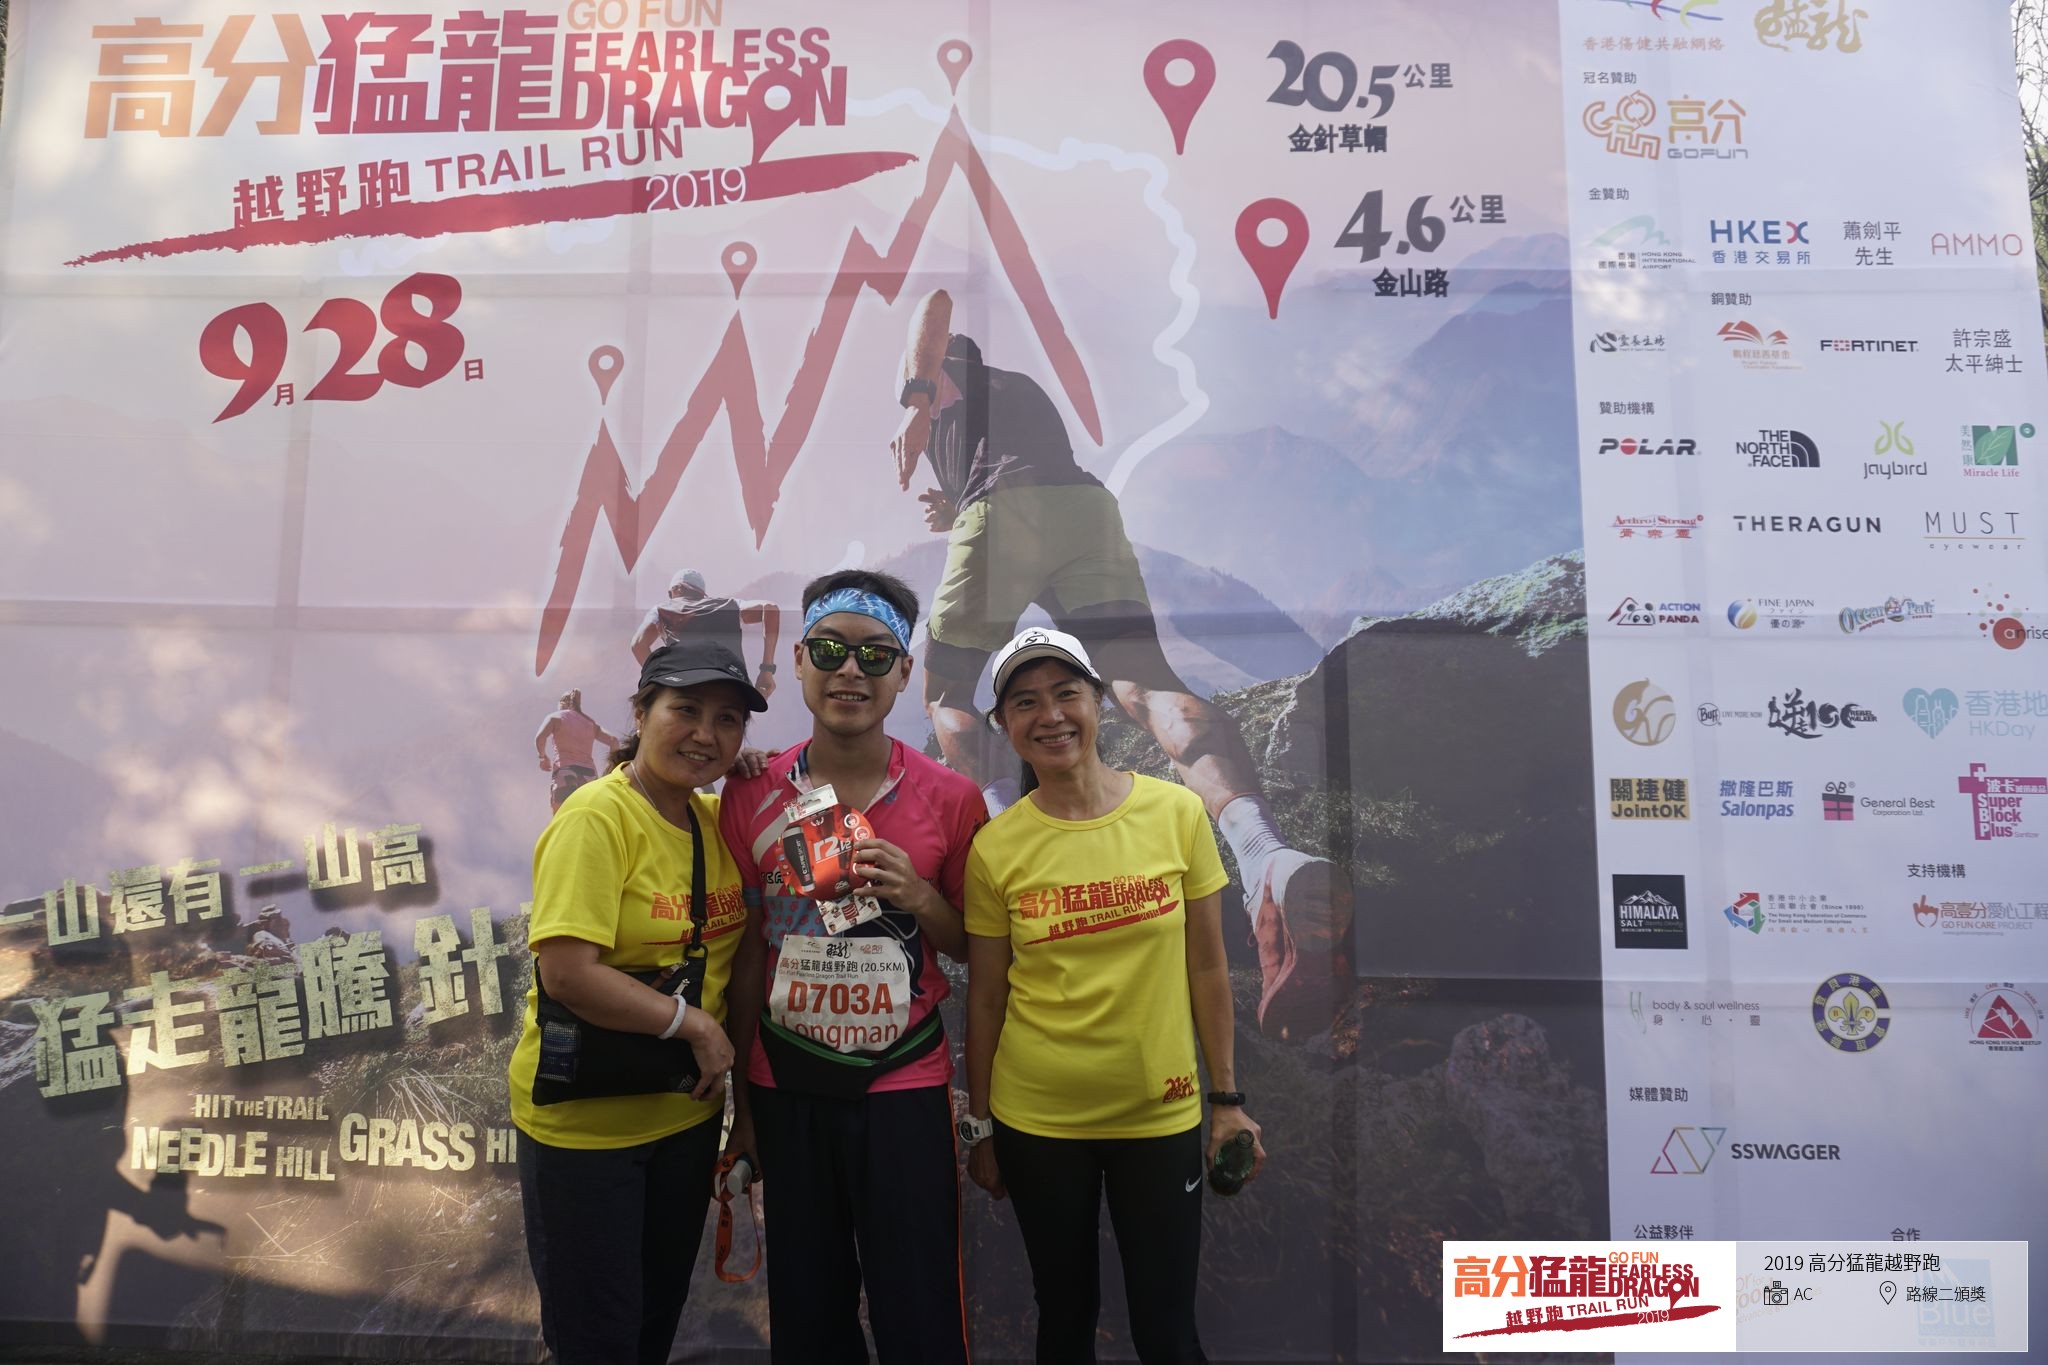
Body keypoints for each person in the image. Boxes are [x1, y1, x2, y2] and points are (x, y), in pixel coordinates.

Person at [888, 287, 1353, 1040]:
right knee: (1145, 683)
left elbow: (932, 304)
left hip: (1004, 511)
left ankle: (1010, 830)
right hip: (1084, 511)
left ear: (942, 369)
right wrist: (953, 502)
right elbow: (1000, 474)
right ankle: (1266, 856)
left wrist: (914, 402)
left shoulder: (942, 382)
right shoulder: (1014, 394)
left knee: (945, 693)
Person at [962, 627, 1265, 1365]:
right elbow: (987, 999)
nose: (1050, 715)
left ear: (1097, 700)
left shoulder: (1176, 812)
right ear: (1004, 725)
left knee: (1167, 1326)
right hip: (1038, 1121)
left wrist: (1226, 1099)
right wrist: (981, 1127)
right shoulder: (996, 847)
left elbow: (1208, 968)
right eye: (1025, 702)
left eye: (1066, 693)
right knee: (1064, 1318)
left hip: (1158, 1114)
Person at [718, 569, 986, 1364]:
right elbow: (745, 956)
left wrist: (919, 896)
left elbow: (972, 942)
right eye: (830, 650)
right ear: (799, 661)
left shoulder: (952, 797)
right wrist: (743, 1107)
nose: (850, 672)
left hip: (904, 1081)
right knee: (809, 1313)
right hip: (785, 1078)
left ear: (905, 672)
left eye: (875, 655)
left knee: (920, 1310)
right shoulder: (750, 792)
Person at [507, 640, 763, 1365]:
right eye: (686, 710)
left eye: (728, 720)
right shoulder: (597, 817)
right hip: (586, 1133)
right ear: (642, 712)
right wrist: (694, 1025)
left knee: (651, 1326)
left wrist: (759, 776)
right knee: (597, 1340)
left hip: (683, 1121)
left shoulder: (714, 820)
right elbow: (567, 973)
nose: (705, 734)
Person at [632, 568, 782, 703]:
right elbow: (770, 608)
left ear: (673, 591)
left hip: (687, 689)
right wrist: (766, 670)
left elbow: (638, 645)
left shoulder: (662, 609)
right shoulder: (730, 605)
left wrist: (663, 681)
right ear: (701, 593)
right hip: (734, 688)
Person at [535, 688, 621, 811]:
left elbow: (540, 738)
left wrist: (543, 757)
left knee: (562, 814)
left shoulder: (556, 717)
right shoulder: (590, 723)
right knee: (588, 813)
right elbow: (614, 741)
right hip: (589, 775)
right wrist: (610, 770)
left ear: (563, 703)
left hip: (565, 770)